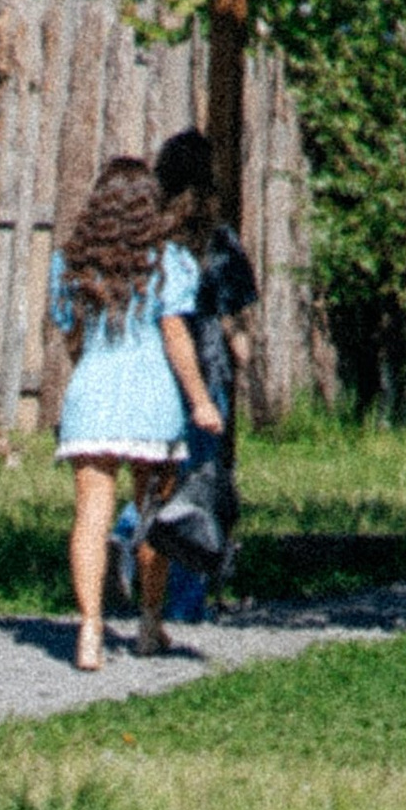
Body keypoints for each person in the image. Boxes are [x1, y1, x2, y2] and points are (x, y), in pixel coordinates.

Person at [48, 155, 223, 670]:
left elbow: (71, 336)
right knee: (154, 519)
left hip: (92, 401)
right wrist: (201, 401)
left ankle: (89, 630)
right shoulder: (170, 262)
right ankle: (149, 625)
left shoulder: (73, 264)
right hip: (152, 404)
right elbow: (175, 337)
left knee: (90, 519)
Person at [149, 127, 259, 624]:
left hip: (151, 369)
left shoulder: (149, 234)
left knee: (153, 475)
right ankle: (185, 603)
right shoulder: (219, 239)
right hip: (206, 366)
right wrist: (240, 345)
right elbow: (235, 313)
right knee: (198, 486)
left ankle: (135, 540)